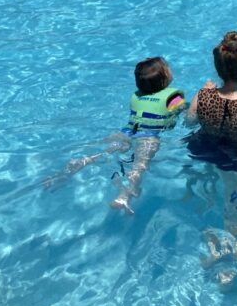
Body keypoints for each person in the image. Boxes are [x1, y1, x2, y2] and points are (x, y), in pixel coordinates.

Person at [58, 57, 186, 213]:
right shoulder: (174, 98)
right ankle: (123, 196)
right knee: (139, 167)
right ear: (165, 78)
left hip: (127, 131)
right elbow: (187, 112)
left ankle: (82, 161)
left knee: (106, 151)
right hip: (149, 137)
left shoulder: (137, 95)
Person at [185, 31, 237, 168]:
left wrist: (205, 91)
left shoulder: (202, 95)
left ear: (218, 69)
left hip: (202, 150)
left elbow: (189, 122)